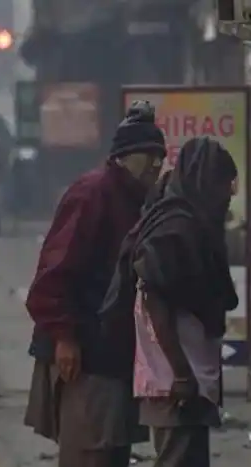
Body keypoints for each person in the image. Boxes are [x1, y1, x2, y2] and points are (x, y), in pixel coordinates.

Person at [23, 101, 167, 467]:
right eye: (147, 154)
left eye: (160, 155)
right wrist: (64, 337)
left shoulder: (138, 198)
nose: (155, 163)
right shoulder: (92, 194)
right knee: (90, 451)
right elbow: (54, 273)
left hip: (113, 348)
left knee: (113, 449)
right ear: (123, 156)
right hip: (83, 349)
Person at [103, 137, 238, 467]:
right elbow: (154, 299)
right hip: (174, 383)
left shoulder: (188, 224)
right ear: (205, 180)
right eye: (225, 183)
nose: (230, 193)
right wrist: (180, 373)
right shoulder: (175, 229)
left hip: (187, 381)